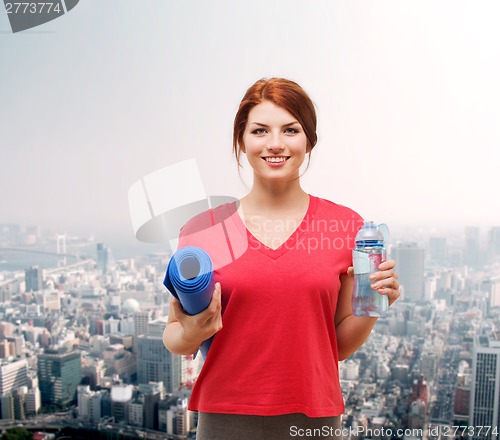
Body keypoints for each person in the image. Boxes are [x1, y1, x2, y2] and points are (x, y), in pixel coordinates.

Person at [163, 77, 400, 440]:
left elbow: (337, 348)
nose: (275, 144)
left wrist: (374, 304)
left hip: (313, 421)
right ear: (241, 141)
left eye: (290, 130)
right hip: (225, 420)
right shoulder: (203, 230)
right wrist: (193, 332)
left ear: (309, 140)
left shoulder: (345, 226)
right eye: (260, 131)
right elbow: (174, 335)